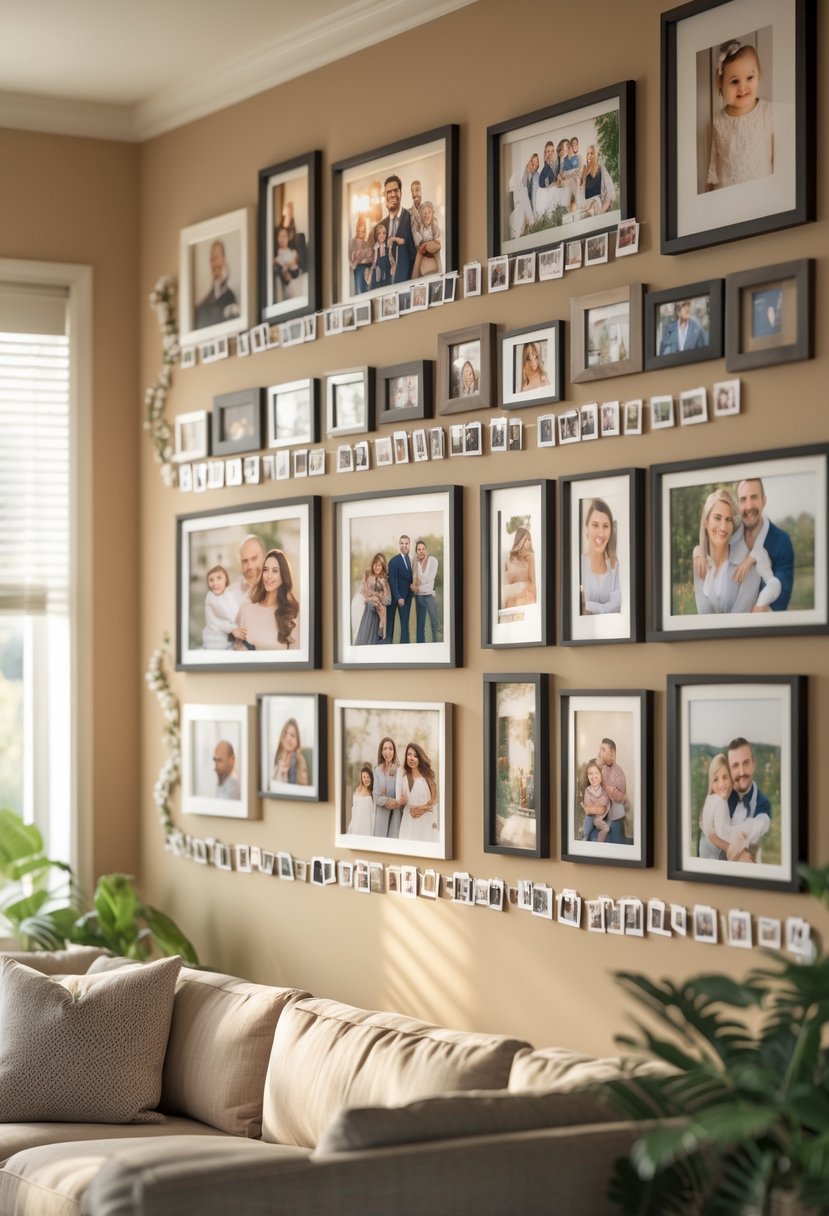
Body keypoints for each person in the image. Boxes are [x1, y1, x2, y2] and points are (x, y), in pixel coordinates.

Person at [707, 40, 774, 190]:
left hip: (763, 194)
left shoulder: (768, 112)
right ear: (720, 83)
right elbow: (713, 167)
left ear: (759, 75)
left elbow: (780, 162)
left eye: (749, 78)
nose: (742, 87)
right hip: (728, 197)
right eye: (734, 81)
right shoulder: (718, 121)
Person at [735, 478, 793, 612]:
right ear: (738, 505)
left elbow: (781, 593)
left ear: (764, 500)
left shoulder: (781, 541)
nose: (748, 506)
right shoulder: (731, 536)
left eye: (754, 497)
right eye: (743, 499)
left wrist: (762, 609)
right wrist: (699, 551)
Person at [233, 548, 299, 650]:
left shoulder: (292, 614)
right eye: (266, 570)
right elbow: (236, 646)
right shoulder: (246, 609)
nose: (269, 576)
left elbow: (297, 655)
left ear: (284, 576)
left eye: (275, 571)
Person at [698, 753, 754, 862]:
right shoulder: (720, 802)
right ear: (711, 784)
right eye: (716, 779)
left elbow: (718, 828)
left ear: (731, 779)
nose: (721, 784)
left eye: (725, 777)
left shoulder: (710, 800)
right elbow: (721, 831)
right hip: (715, 857)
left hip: (706, 856)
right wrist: (738, 836)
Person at [580, 498, 621, 615]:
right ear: (587, 526)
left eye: (605, 526)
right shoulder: (579, 564)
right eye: (595, 525)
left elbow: (616, 606)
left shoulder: (615, 566)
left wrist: (587, 604)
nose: (601, 533)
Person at [397, 742, 438, 840]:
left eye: (415, 756)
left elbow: (434, 801)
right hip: (408, 823)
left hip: (424, 823)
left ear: (420, 758)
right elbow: (401, 801)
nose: (411, 758)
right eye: (409, 754)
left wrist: (421, 809)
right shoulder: (403, 778)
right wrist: (401, 801)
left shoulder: (427, 778)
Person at [195, 240, 239, 330]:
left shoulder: (230, 296)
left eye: (216, 258)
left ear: (223, 259)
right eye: (212, 260)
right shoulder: (202, 305)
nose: (214, 264)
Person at [382, 174, 417, 283]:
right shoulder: (381, 226)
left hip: (408, 283)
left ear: (401, 193)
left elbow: (416, 252)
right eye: (389, 192)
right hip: (388, 286)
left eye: (396, 190)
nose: (393, 194)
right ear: (385, 196)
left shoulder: (410, 217)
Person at [202, 564, 243, 649]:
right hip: (213, 641)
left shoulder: (229, 595)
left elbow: (236, 612)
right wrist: (233, 629)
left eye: (219, 578)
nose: (215, 583)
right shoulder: (210, 597)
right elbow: (227, 615)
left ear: (226, 580)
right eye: (211, 580)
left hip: (228, 639)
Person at [355, 553, 392, 645]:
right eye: (375, 565)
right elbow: (363, 592)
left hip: (379, 611)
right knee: (366, 632)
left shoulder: (384, 579)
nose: (377, 567)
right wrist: (371, 598)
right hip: (369, 609)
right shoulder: (368, 576)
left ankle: (379, 635)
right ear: (372, 565)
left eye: (379, 565)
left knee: (377, 637)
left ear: (382, 566)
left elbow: (388, 600)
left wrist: (382, 589)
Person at [373, 736, 405, 837]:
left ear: (394, 751)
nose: (388, 752)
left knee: (394, 840)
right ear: (381, 752)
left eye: (390, 749)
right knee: (380, 841)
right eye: (385, 749)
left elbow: (402, 794)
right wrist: (391, 802)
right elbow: (376, 796)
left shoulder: (399, 770)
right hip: (381, 814)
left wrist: (386, 798)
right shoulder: (377, 770)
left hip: (395, 814)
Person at [599, 738, 627, 844]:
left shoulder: (619, 773)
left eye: (603, 750)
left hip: (617, 819)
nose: (600, 753)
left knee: (616, 845)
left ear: (612, 752)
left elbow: (622, 798)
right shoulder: (603, 769)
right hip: (605, 816)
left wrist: (611, 791)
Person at [387, 534, 414, 644]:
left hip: (407, 598)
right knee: (390, 624)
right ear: (399, 545)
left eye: (406, 543)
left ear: (409, 545)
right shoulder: (394, 561)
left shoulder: (411, 560)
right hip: (395, 597)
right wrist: (398, 597)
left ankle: (405, 646)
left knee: (405, 625)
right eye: (402, 543)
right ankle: (388, 645)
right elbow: (392, 581)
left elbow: (410, 578)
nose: (404, 545)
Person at [502, 526, 537, 612]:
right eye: (526, 539)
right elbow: (507, 580)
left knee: (505, 592)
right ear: (520, 540)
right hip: (513, 592)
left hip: (525, 590)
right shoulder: (510, 559)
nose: (529, 542)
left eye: (530, 539)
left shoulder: (530, 558)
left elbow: (533, 581)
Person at [413, 539, 440, 643]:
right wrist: (416, 587)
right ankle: (421, 648)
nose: (421, 551)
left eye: (423, 549)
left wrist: (418, 587)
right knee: (420, 627)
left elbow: (427, 580)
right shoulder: (415, 563)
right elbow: (416, 582)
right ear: (416, 552)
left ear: (426, 550)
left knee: (434, 625)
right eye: (419, 549)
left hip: (429, 596)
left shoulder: (433, 561)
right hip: (419, 597)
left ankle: (437, 646)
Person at [578, 145, 616, 216]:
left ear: (595, 155)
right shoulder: (584, 170)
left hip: (597, 202)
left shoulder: (601, 168)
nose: (589, 156)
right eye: (588, 154)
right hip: (586, 203)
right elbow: (580, 190)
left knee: (594, 204)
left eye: (591, 153)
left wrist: (603, 209)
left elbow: (610, 188)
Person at [271, 718, 309, 786]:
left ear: (297, 741)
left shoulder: (299, 760)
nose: (288, 738)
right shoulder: (276, 758)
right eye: (286, 733)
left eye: (292, 735)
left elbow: (303, 786)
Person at [581, 759, 610, 842]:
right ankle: (585, 836)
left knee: (606, 828)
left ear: (601, 776)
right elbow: (588, 806)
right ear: (587, 776)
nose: (593, 777)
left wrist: (591, 808)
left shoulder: (604, 791)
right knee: (588, 820)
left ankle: (599, 842)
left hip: (600, 818)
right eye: (590, 774)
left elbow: (603, 806)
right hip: (591, 816)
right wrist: (590, 808)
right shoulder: (588, 790)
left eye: (596, 773)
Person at [412, 201, 442, 277]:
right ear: (420, 215)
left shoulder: (434, 223)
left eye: (429, 212)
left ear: (433, 213)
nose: (427, 215)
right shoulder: (419, 226)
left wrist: (434, 243)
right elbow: (418, 242)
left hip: (432, 246)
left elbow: (437, 238)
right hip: (422, 247)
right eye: (424, 213)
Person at [273, 225, 302, 301]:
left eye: (284, 236)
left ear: (288, 238)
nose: (282, 239)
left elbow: (295, 262)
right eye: (280, 236)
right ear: (277, 238)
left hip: (296, 274)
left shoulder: (293, 252)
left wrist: (287, 263)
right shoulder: (278, 254)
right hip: (288, 280)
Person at [348, 215, 374, 295]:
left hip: (366, 270)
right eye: (358, 231)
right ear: (356, 230)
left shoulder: (367, 243)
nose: (360, 234)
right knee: (358, 291)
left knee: (365, 290)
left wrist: (369, 267)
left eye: (363, 231)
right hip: (357, 269)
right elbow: (349, 258)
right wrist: (352, 264)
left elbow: (371, 259)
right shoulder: (351, 242)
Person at [347, 764, 375, 834]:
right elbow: (354, 808)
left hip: (367, 823)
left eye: (368, 777)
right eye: (364, 777)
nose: (366, 779)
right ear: (361, 779)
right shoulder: (358, 790)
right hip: (356, 822)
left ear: (371, 778)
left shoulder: (373, 791)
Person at [366, 220, 393, 289]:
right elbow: (373, 264)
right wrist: (369, 276)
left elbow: (391, 259)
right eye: (379, 233)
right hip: (376, 278)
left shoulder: (388, 247)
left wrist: (393, 266)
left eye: (384, 233)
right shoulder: (374, 248)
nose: (382, 235)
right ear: (376, 235)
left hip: (387, 276)